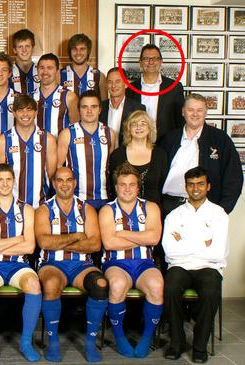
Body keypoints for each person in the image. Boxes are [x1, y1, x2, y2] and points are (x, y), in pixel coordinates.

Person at [34, 167, 108, 362]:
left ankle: (90, 343)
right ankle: (54, 342)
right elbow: (44, 242)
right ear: (54, 183)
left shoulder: (87, 209)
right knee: (50, 285)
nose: (64, 184)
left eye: (68, 180)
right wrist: (75, 237)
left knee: (100, 284)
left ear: (75, 183)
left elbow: (95, 244)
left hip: (82, 266)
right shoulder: (43, 210)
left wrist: (60, 241)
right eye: (59, 180)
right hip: (51, 263)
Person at [162, 167, 228, 363]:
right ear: (185, 187)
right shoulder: (174, 215)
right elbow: (170, 250)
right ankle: (177, 341)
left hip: (209, 266)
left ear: (208, 186)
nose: (195, 188)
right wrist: (203, 243)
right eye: (190, 184)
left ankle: (200, 347)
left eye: (200, 184)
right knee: (171, 287)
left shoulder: (219, 214)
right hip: (179, 266)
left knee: (210, 291)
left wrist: (184, 241)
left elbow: (217, 252)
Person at [0, 164, 41, 362]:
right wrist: (16, 239)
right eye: (0, 180)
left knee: (34, 284)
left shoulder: (27, 209)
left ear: (14, 182)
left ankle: (26, 342)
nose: (5, 184)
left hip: (18, 265)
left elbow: (29, 247)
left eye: (8, 179)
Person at [99, 163, 163, 358]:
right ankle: (119, 338)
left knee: (157, 285)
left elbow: (154, 239)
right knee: (117, 285)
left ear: (138, 187)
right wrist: (140, 237)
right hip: (116, 264)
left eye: (131, 184)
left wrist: (123, 233)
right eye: (122, 184)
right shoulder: (107, 210)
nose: (127, 189)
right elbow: (109, 243)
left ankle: (145, 338)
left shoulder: (150, 207)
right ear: (116, 187)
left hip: (145, 264)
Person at [160, 93, 243, 217]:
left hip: (204, 208)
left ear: (206, 112)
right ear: (183, 112)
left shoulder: (220, 139)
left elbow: (234, 178)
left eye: (199, 110)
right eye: (190, 110)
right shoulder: (169, 138)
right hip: (168, 207)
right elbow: (156, 173)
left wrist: (222, 210)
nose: (195, 114)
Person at [0, 95, 57, 208]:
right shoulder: (2, 141)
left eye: (29, 109)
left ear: (36, 112)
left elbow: (52, 176)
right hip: (11, 207)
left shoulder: (48, 139)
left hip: (41, 205)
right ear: (14, 112)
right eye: (20, 109)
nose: (25, 114)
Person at [57, 90, 116, 210]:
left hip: (105, 198)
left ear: (99, 109)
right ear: (79, 110)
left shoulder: (109, 133)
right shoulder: (67, 134)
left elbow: (112, 167)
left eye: (93, 107)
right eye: (84, 107)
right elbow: (58, 167)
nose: (89, 111)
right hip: (76, 198)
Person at [126, 44, 184, 141]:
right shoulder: (130, 90)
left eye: (155, 58)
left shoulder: (175, 87)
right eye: (146, 58)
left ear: (161, 61)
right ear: (140, 62)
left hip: (167, 144)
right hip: (138, 144)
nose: (151, 62)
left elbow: (180, 119)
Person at [108, 111, 168, 204]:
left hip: (153, 211)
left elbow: (163, 185)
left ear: (149, 129)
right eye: (134, 124)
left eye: (143, 124)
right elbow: (112, 186)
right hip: (123, 210)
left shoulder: (160, 155)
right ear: (128, 129)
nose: (138, 127)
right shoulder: (117, 155)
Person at [32, 53, 79, 137]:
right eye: (42, 68)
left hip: (60, 148)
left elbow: (76, 129)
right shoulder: (29, 97)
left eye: (50, 68)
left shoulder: (69, 97)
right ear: (37, 70)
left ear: (57, 71)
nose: (45, 72)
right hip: (36, 148)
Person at [99, 67, 146, 145]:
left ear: (126, 84)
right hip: (104, 155)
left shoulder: (138, 109)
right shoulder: (99, 107)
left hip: (126, 155)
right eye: (110, 82)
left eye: (117, 81)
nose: (113, 85)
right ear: (106, 85)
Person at [60, 34, 107, 99]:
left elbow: (104, 105)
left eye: (82, 49)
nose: (78, 53)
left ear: (88, 51)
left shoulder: (99, 76)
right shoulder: (59, 75)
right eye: (74, 49)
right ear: (70, 51)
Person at [10, 28, 40, 95]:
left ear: (33, 48)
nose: (24, 50)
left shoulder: (41, 70)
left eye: (27, 46)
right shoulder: (7, 71)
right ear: (14, 50)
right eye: (20, 47)